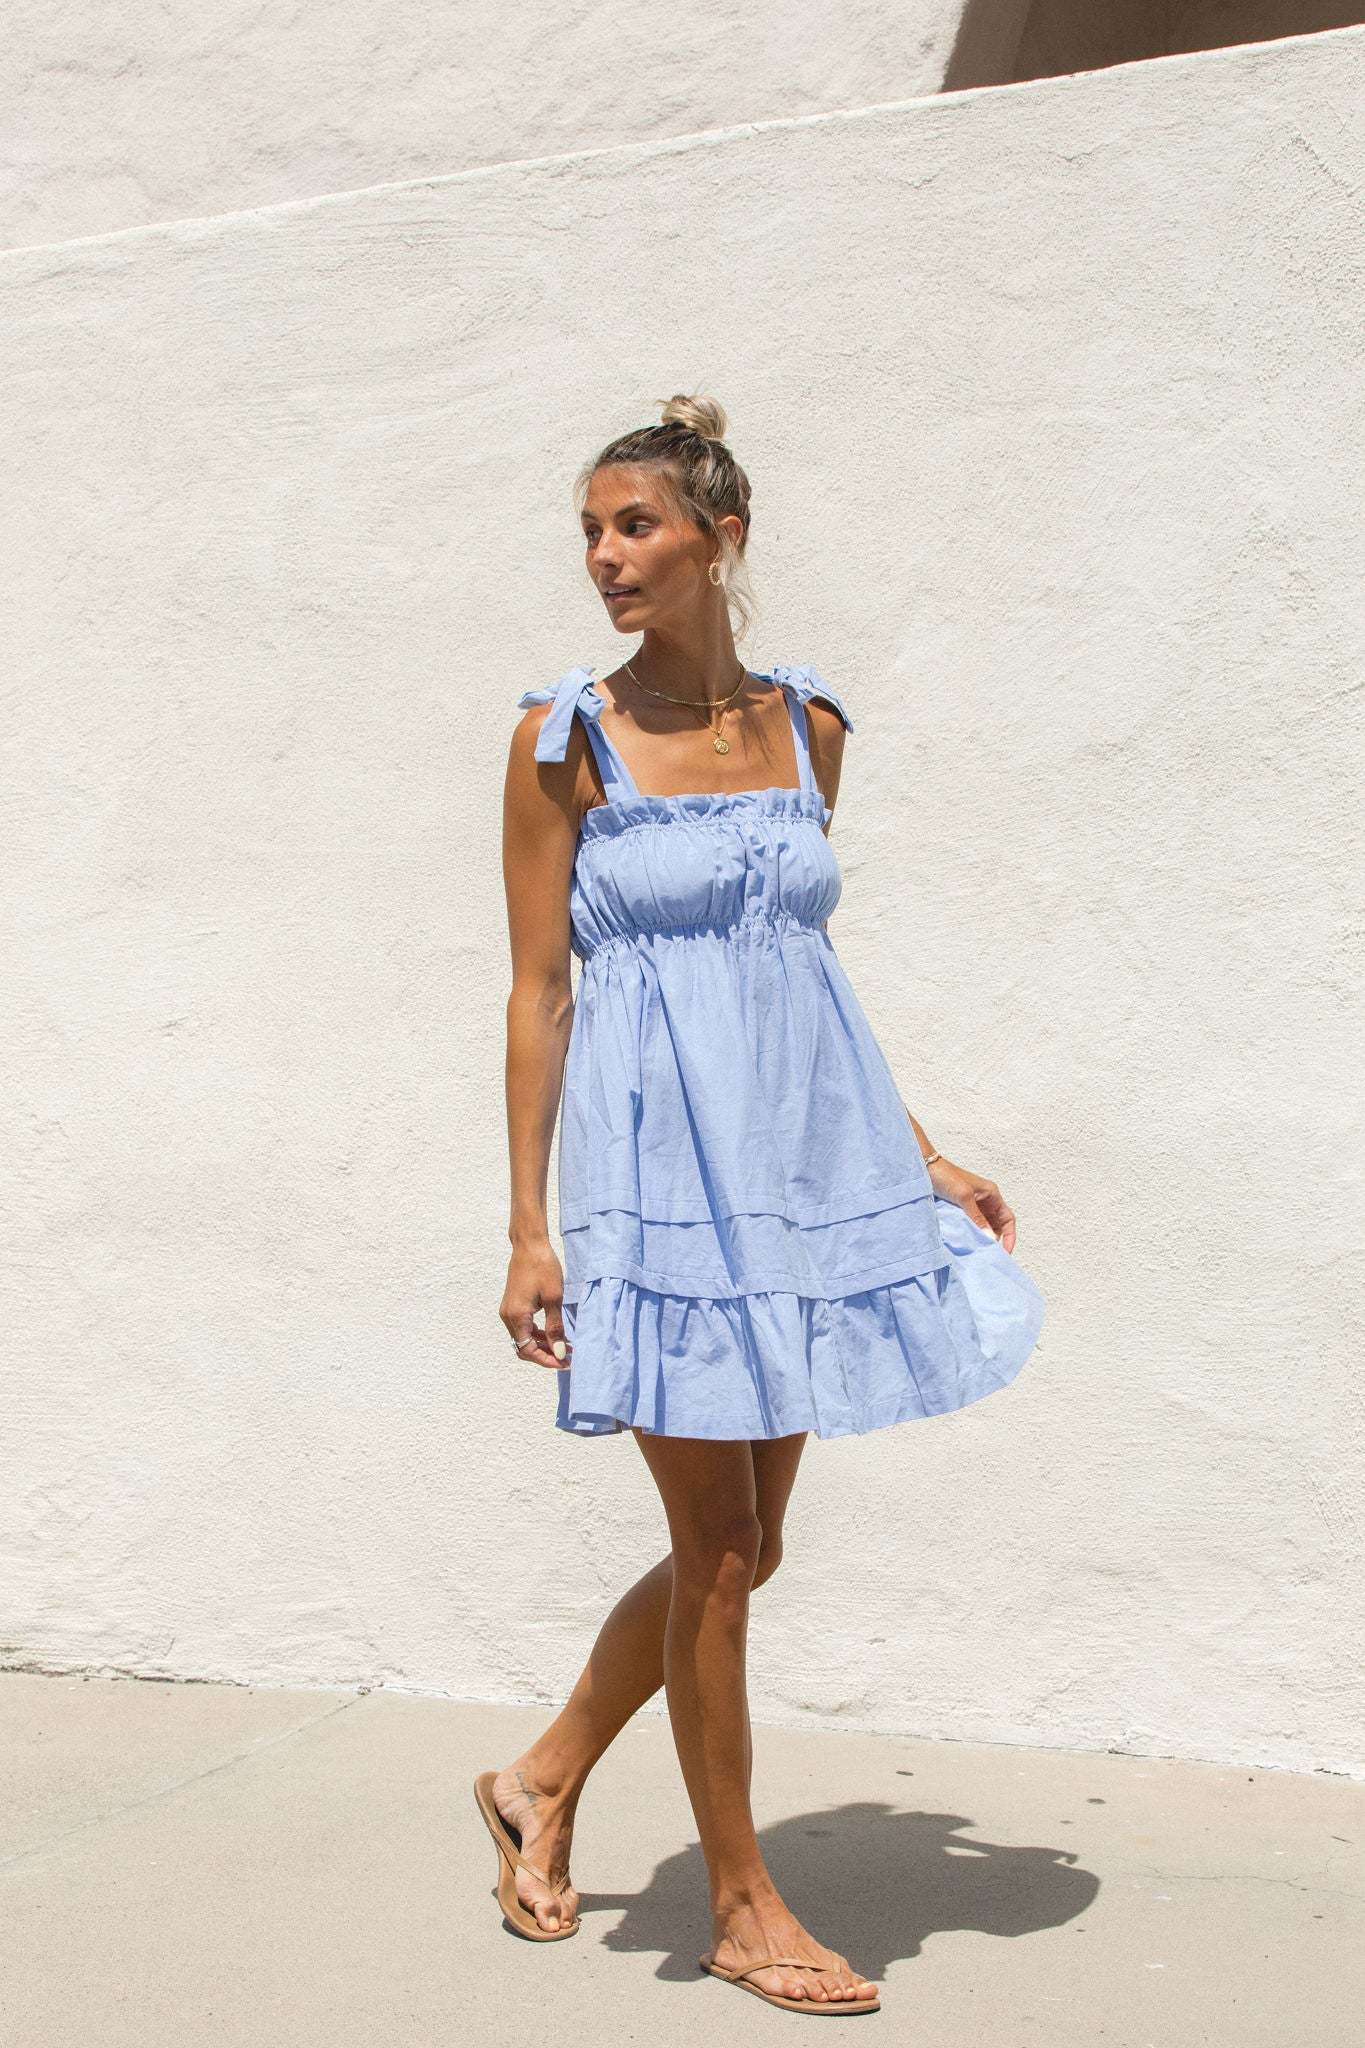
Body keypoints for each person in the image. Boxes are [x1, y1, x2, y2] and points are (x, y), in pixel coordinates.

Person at [479, 393, 1046, 2015]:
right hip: (659, 1185)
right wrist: (530, 1226)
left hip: (796, 1181)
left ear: (719, 538)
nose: (605, 557)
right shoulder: (562, 742)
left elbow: (793, 979)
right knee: (716, 1547)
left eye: (635, 526)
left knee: (750, 1543)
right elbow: (537, 992)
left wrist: (916, 1151)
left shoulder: (810, 730)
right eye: (591, 532)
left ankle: (538, 1776)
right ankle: (739, 1907)